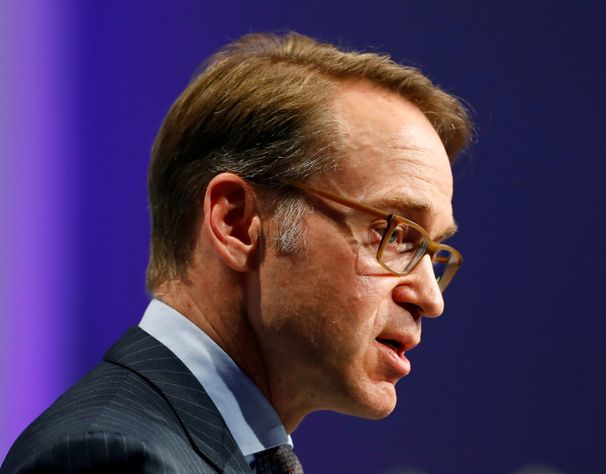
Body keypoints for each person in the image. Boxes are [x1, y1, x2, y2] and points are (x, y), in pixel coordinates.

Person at [1, 32, 472, 473]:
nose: (431, 298)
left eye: (432, 251)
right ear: (236, 223)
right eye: (394, 233)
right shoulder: (113, 457)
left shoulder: (220, 449)